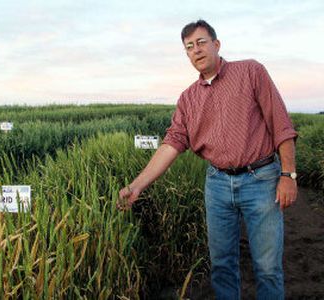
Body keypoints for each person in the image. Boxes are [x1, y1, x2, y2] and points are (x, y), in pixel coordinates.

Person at [117, 19, 298, 299]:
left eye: (201, 42)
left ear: (216, 44)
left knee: (267, 266)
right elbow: (171, 144)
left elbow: (281, 124)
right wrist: (138, 185)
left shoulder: (251, 71)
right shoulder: (188, 98)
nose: (196, 50)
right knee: (222, 265)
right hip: (217, 185)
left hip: (260, 180)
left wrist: (288, 175)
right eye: (189, 47)